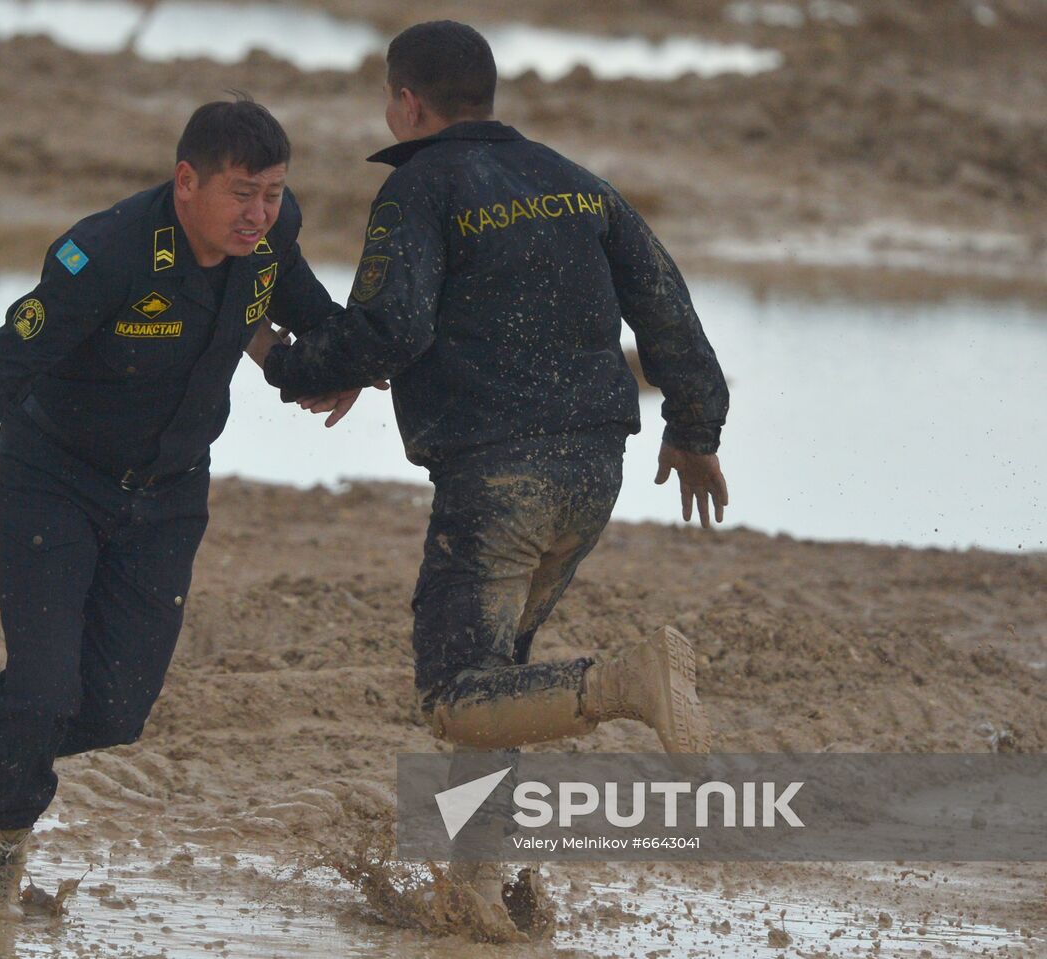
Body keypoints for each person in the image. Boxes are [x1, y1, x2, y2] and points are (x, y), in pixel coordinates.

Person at [250, 21, 730, 938]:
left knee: (455, 694)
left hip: (498, 475)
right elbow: (664, 297)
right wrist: (696, 425)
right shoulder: (572, 179)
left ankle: (625, 681)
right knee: (504, 677)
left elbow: (390, 326)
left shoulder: (419, 188)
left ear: (405, 101)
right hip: (595, 467)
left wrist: (289, 362)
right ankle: (472, 885)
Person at [0, 98, 341, 920]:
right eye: (242, 193)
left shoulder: (269, 233)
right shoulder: (108, 253)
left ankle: (2, 717)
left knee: (116, 710)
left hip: (168, 494)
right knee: (48, 690)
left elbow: (292, 312)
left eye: (272, 192)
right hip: (54, 481)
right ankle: (3, 852)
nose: (259, 213)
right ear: (186, 182)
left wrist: (337, 366)